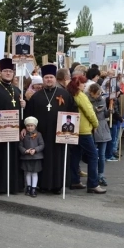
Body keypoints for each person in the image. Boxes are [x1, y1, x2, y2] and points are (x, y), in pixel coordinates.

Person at [23, 64, 76, 194]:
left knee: (58, 160)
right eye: (46, 77)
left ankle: (57, 185)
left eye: (51, 77)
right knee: (42, 159)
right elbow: (29, 115)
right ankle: (41, 184)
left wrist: (72, 131)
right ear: (43, 79)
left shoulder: (64, 94)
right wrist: (24, 127)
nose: (49, 80)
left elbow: (73, 112)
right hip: (41, 136)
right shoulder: (36, 97)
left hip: (59, 135)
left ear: (55, 78)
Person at [0, 58, 25, 194]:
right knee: (0, 159)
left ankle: (13, 185)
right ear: (0, 72)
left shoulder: (17, 90)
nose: (8, 73)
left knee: (13, 157)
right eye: (5, 71)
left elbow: (20, 111)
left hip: (14, 131)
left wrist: (24, 105)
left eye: (10, 71)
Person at [67, 76, 106, 194]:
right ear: (78, 85)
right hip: (83, 130)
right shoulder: (80, 95)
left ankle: (74, 180)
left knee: (75, 155)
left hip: (74, 128)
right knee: (93, 156)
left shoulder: (70, 94)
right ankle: (93, 184)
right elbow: (90, 112)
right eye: (83, 83)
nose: (84, 85)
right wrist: (95, 124)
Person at [87, 83, 112, 187]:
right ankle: (93, 176)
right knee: (92, 155)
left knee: (101, 155)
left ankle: (101, 175)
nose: (98, 95)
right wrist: (95, 110)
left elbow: (105, 114)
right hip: (92, 128)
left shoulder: (102, 99)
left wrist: (110, 111)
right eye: (96, 94)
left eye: (99, 93)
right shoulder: (87, 100)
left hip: (102, 127)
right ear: (91, 93)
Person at [19, 116, 44, 198]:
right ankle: (28, 187)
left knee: (34, 173)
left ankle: (34, 188)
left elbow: (42, 145)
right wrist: (25, 151)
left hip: (36, 157)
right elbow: (20, 145)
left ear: (35, 126)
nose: (30, 127)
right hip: (26, 157)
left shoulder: (38, 135)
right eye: (28, 126)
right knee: (28, 172)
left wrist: (35, 150)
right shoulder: (24, 135)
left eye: (31, 125)